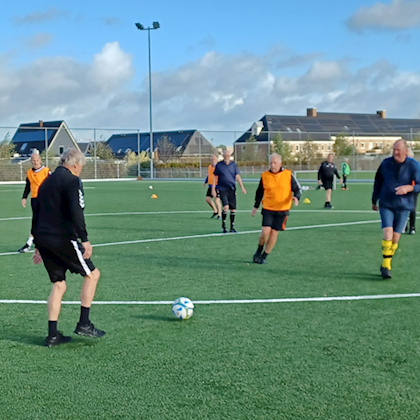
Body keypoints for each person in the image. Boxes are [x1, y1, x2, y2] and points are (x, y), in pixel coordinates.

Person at [32, 148, 105, 347]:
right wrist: (85, 239)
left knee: (59, 285)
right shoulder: (72, 181)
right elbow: (76, 211)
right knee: (92, 275)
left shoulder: (46, 181)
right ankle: (84, 323)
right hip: (62, 239)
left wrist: (37, 243)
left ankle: (53, 335)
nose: (80, 170)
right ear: (74, 164)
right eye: (81, 167)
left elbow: (36, 211)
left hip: (44, 239)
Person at [372, 139, 420, 279]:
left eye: (398, 149)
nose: (395, 152)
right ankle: (386, 266)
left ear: (406, 151)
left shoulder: (413, 165)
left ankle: (387, 261)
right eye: (394, 149)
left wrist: (409, 188)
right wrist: (374, 200)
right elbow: (378, 182)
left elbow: (419, 184)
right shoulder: (386, 163)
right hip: (386, 203)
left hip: (404, 206)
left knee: (395, 238)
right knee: (387, 233)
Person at [251, 154, 301, 264]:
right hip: (268, 208)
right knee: (265, 232)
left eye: (275, 163)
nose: (272, 165)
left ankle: (264, 256)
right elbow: (259, 192)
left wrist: (296, 198)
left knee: (274, 233)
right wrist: (255, 206)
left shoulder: (288, 175)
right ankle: (259, 250)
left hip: (282, 209)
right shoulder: (265, 176)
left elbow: (297, 189)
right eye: (271, 163)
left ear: (280, 164)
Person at [18, 153, 50, 253]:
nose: (35, 162)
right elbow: (28, 186)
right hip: (35, 199)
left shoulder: (46, 171)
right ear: (31, 161)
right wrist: (24, 197)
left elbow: (53, 184)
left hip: (45, 199)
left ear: (40, 160)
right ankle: (30, 243)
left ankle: (40, 243)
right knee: (36, 221)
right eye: (33, 160)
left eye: (37, 160)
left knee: (46, 220)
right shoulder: (29, 173)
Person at [212, 149, 246, 233]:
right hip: (222, 189)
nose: (226, 157)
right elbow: (215, 177)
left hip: (232, 189)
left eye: (228, 156)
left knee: (233, 209)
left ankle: (232, 227)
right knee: (226, 207)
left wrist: (242, 187)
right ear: (223, 156)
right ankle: (224, 226)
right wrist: (213, 189)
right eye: (225, 156)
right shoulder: (219, 165)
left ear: (230, 156)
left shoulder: (233, 165)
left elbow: (237, 176)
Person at [405, 149, 419, 235]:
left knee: (412, 208)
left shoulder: (415, 166)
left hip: (413, 189)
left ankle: (412, 227)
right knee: (402, 207)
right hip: (404, 189)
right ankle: (404, 226)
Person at [203, 154, 221, 219]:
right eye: (212, 159)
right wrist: (205, 182)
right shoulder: (210, 166)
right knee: (207, 199)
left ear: (217, 160)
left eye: (214, 159)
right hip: (210, 186)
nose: (213, 160)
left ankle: (219, 214)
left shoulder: (219, 167)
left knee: (217, 200)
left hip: (217, 186)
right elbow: (209, 175)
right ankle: (215, 210)